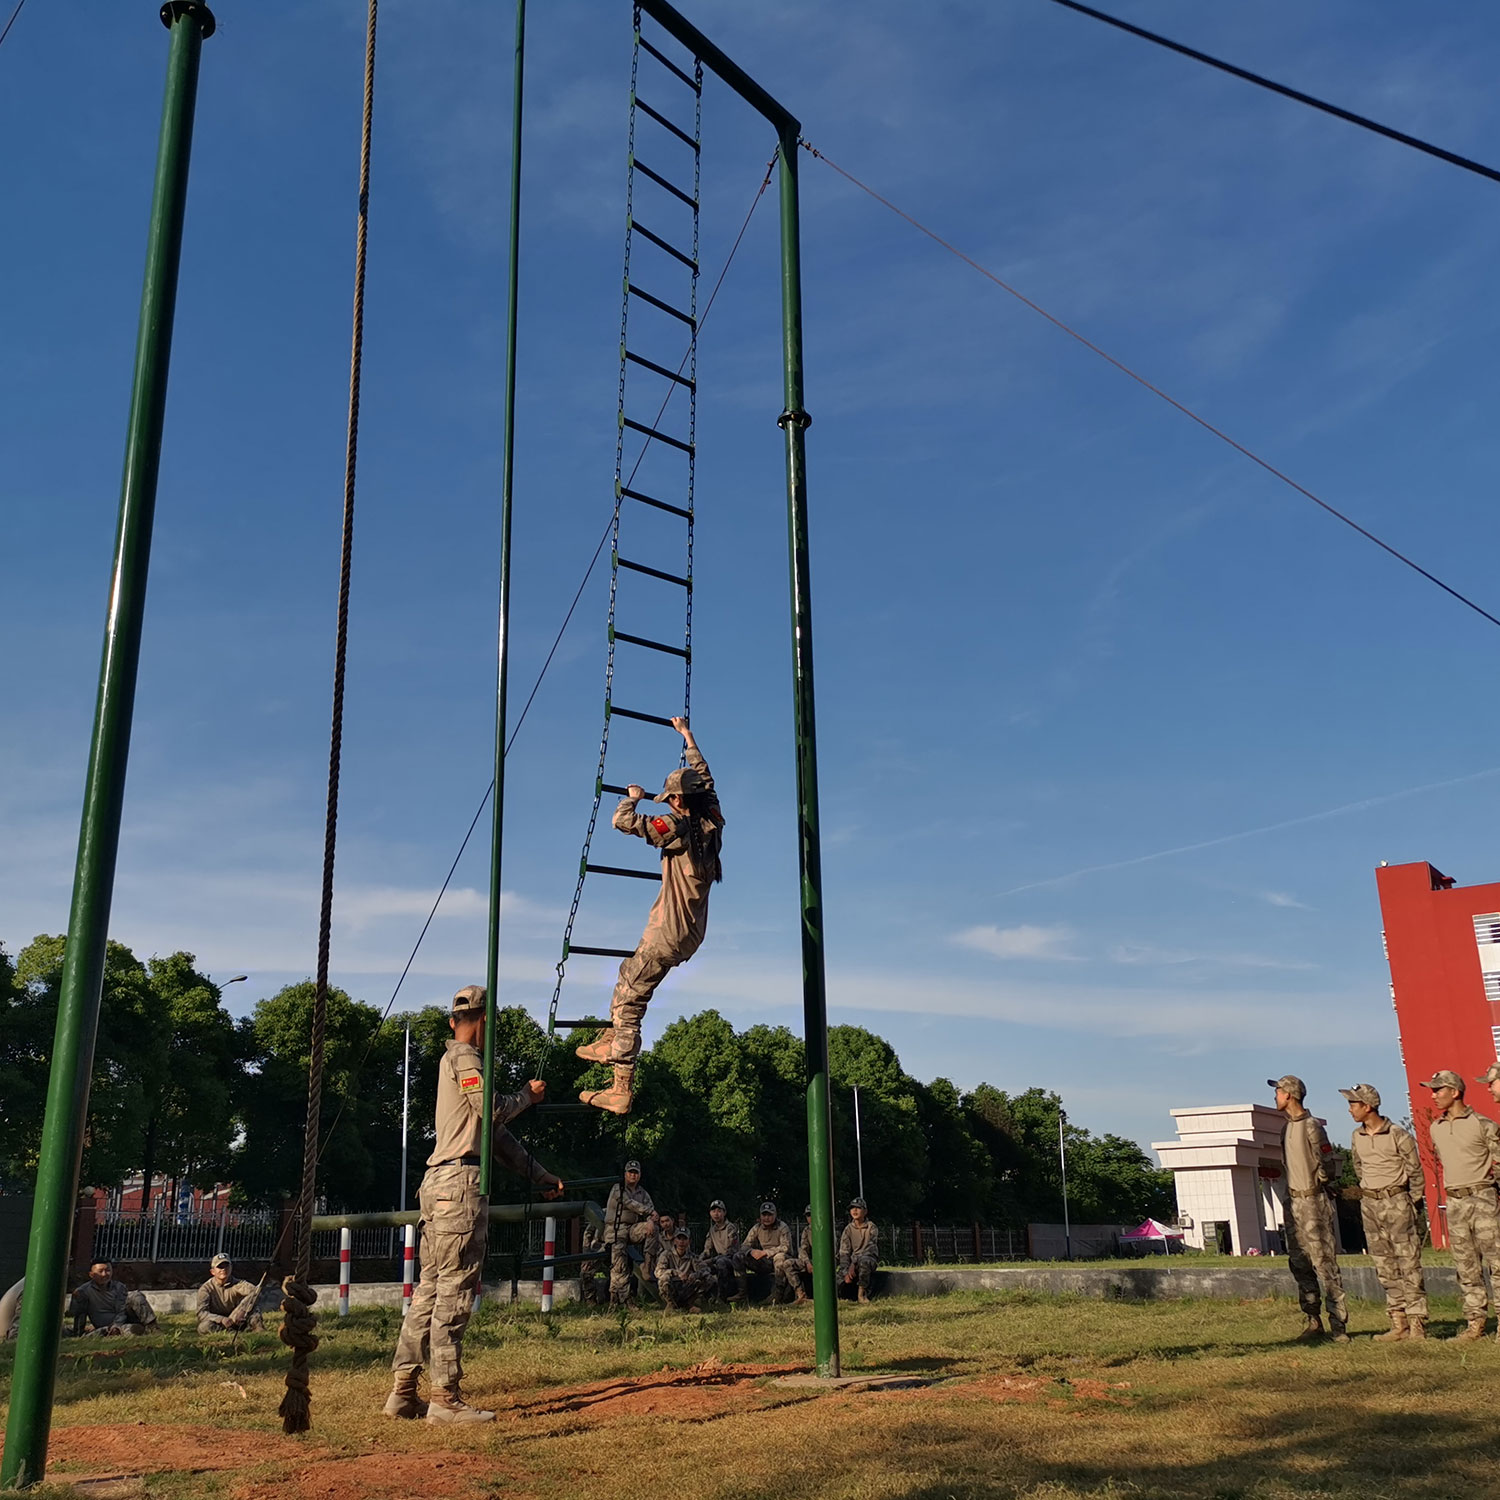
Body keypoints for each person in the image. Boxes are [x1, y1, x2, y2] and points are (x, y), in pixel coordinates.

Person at [384, 985, 563, 1424]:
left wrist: (537, 1174)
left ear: (452, 1019)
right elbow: (495, 1110)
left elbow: (495, 1137)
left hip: (441, 1184)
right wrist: (527, 1096)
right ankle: (444, 1400)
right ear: (484, 1022)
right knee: (454, 1292)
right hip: (458, 1185)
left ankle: (403, 1392)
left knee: (429, 1290)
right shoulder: (466, 1059)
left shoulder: (457, 1063)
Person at [578, 718, 724, 1115]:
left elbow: (622, 822)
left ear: (677, 801)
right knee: (629, 977)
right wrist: (688, 737)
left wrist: (633, 798)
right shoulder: (712, 819)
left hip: (669, 931)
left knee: (630, 1000)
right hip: (691, 931)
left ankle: (620, 1085)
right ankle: (611, 1041)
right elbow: (706, 780)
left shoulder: (676, 825)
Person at [1420, 1067, 1500, 1341]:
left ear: (1455, 1092)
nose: (1433, 1095)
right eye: (1432, 1090)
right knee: (1465, 1267)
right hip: (1455, 1202)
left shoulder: (1484, 1124)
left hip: (1483, 1199)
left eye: (1438, 1089)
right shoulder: (1435, 1127)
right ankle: (1475, 1322)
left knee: (1497, 1263)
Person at [1341, 1085, 1426, 1340]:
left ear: (1367, 1106)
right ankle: (1398, 1322)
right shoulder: (1357, 1136)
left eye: (1353, 1104)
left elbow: (1416, 1171)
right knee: (1384, 1265)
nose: (1349, 1109)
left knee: (1408, 1262)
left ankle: (1417, 1321)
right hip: (1370, 1204)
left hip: (1397, 1200)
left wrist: (1411, 1200)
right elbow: (1358, 1167)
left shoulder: (1399, 1135)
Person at [1270, 1075, 1348, 1343]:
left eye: (1278, 1091)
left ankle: (1338, 1324)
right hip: (1293, 1203)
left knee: (1325, 1263)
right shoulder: (1285, 1129)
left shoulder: (1312, 1126)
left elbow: (1326, 1162)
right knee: (1299, 1263)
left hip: (1313, 1201)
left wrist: (1321, 1184)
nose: (1276, 1096)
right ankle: (1313, 1320)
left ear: (1289, 1094)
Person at [603, 1160, 659, 1306]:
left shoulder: (643, 1193)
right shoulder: (618, 1189)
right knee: (619, 1262)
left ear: (639, 1175)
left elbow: (651, 1210)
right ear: (625, 1174)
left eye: (636, 1172)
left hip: (632, 1228)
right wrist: (649, 1212)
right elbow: (629, 1203)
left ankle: (647, 1265)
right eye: (630, 1172)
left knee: (653, 1230)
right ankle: (622, 1298)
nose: (633, 1175)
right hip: (615, 1228)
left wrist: (650, 1221)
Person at [67, 1261, 157, 1337]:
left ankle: (153, 1327)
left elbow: (121, 1311)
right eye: (100, 1271)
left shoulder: (119, 1287)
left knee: (136, 1296)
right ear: (91, 1274)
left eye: (108, 1270)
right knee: (129, 1330)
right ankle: (131, 1330)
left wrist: (117, 1325)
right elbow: (79, 1316)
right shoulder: (82, 1292)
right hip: (105, 1326)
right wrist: (78, 1333)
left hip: (122, 1320)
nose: (104, 1274)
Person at [741, 1201, 806, 1306]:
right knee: (739, 1257)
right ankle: (741, 1293)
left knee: (779, 1257)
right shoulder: (756, 1228)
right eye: (764, 1215)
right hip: (765, 1262)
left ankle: (778, 1293)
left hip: (782, 1259)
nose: (767, 1218)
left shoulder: (782, 1227)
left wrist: (766, 1252)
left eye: (770, 1215)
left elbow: (786, 1247)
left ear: (775, 1215)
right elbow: (744, 1246)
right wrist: (752, 1251)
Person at [195, 1253, 263, 1333]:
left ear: (231, 1267)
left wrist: (243, 1310)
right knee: (203, 1327)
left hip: (238, 1319)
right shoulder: (206, 1289)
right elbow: (201, 1313)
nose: (223, 1269)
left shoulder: (238, 1284)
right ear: (212, 1271)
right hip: (218, 1323)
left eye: (226, 1266)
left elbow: (256, 1292)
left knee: (254, 1309)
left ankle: (258, 1331)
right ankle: (228, 1332)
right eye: (220, 1267)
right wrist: (221, 1319)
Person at [701, 1198, 744, 1303]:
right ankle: (704, 1295)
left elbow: (732, 1250)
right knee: (700, 1265)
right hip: (719, 1258)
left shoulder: (731, 1228)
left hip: (732, 1260)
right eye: (713, 1211)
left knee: (721, 1262)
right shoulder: (712, 1230)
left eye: (719, 1211)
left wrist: (714, 1259)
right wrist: (699, 1259)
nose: (716, 1214)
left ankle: (722, 1297)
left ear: (724, 1213)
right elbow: (707, 1249)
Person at [656, 1227, 709, 1312]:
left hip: (686, 1287)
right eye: (679, 1238)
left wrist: (695, 1275)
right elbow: (658, 1272)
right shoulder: (666, 1254)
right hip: (672, 1287)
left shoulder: (692, 1257)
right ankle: (671, 1304)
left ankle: (690, 1304)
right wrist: (675, 1272)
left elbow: (705, 1269)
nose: (681, 1242)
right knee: (663, 1278)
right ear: (674, 1240)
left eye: (684, 1239)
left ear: (689, 1241)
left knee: (706, 1278)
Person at [838, 1197, 879, 1304]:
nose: (854, 1211)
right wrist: (846, 1270)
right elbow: (844, 1252)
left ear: (865, 1211)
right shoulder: (848, 1229)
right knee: (837, 1276)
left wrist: (854, 1262)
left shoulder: (871, 1227)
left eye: (858, 1208)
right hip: (851, 1263)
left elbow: (869, 1248)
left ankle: (861, 1294)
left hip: (868, 1259)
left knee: (864, 1261)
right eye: (852, 1208)